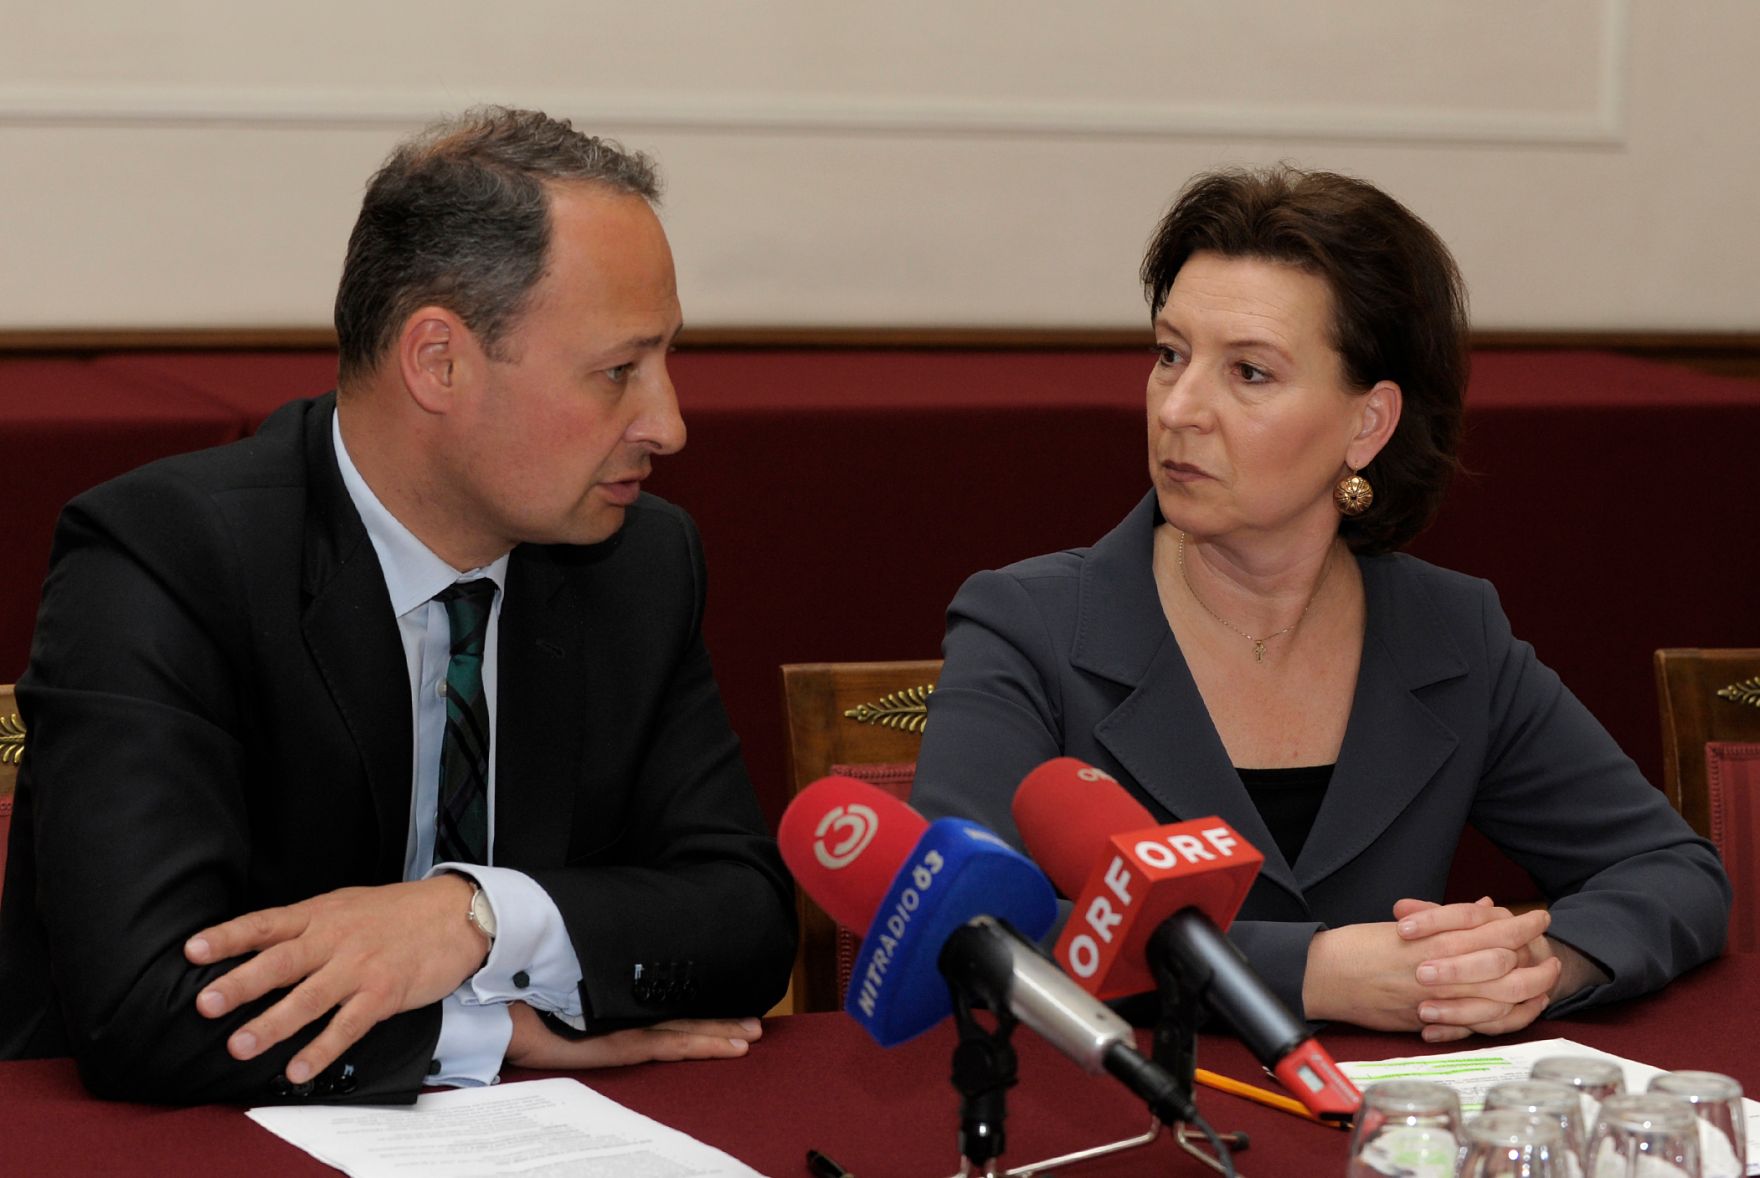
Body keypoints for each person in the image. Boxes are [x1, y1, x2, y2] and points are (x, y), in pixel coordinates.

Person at [0, 107, 795, 1103]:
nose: (667, 422)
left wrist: (474, 916)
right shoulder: (166, 558)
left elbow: (744, 921)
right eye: (617, 371)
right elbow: (143, 1004)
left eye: (668, 360)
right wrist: (484, 1030)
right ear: (438, 362)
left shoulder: (638, 563)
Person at [913, 166, 1729, 1043]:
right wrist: (1312, 971)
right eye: (1169, 354)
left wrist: (1532, 967)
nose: (1180, 408)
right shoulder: (1028, 625)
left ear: (1367, 425)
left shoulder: (1450, 633)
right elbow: (972, 925)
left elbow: (1671, 870)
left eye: (1250, 373)